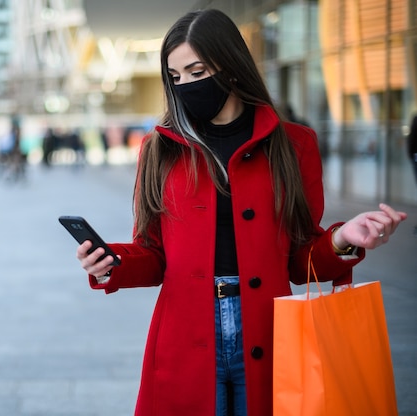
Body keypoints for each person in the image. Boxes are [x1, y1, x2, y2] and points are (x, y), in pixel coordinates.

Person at [73, 9, 407, 416]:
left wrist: (340, 240)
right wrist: (112, 262)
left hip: (269, 329)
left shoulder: (293, 144)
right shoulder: (159, 149)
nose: (186, 86)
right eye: (175, 77)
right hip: (184, 337)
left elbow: (300, 262)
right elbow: (155, 252)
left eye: (196, 71)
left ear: (230, 67)